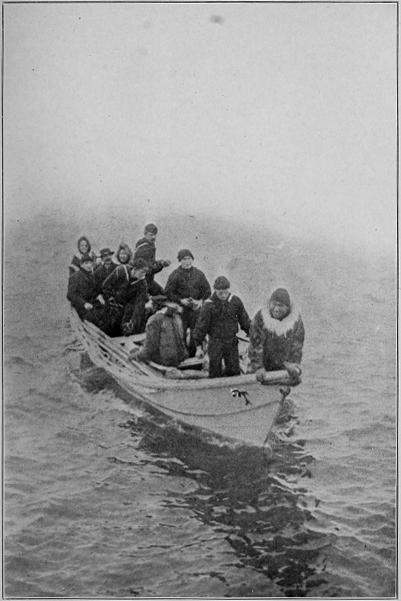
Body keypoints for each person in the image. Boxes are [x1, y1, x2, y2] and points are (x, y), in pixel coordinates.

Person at [193, 276, 251, 378]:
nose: (224, 295)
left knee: (234, 371)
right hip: (215, 342)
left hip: (231, 341)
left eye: (226, 292)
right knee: (215, 371)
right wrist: (198, 347)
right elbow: (200, 328)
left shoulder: (235, 301)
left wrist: (252, 335)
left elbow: (245, 321)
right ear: (215, 291)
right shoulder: (208, 305)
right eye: (220, 293)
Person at [247, 288, 305, 380]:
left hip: (283, 364)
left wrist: (294, 363)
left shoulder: (296, 321)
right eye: (274, 304)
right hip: (263, 363)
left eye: (281, 306)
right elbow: (255, 344)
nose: (276, 309)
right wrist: (258, 367)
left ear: (287, 308)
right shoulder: (260, 317)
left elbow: (297, 344)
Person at [164, 249, 212, 357]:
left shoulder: (199, 274)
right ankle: (182, 355)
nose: (187, 262)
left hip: (195, 309)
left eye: (189, 259)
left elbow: (207, 291)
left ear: (192, 259)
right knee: (180, 332)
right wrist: (180, 300)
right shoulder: (175, 275)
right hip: (181, 309)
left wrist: (200, 301)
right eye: (184, 259)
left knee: (197, 332)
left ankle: (195, 354)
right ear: (180, 261)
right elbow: (167, 292)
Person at [129, 295, 188, 367]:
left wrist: (136, 356)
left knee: (135, 350)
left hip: (164, 361)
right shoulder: (176, 316)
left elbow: (149, 350)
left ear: (155, 306)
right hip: (179, 358)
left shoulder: (154, 320)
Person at [102, 257, 148, 336]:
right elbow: (106, 285)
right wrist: (110, 298)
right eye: (142, 272)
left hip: (125, 307)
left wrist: (132, 322)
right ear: (135, 269)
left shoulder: (142, 284)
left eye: (145, 273)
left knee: (121, 327)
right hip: (111, 302)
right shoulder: (121, 271)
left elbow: (138, 304)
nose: (143, 275)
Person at [67, 254, 106, 327]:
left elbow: (98, 290)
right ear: (81, 265)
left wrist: (100, 295)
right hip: (82, 308)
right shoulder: (75, 277)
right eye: (86, 263)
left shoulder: (93, 276)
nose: (89, 265)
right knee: (97, 319)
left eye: (90, 263)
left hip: (94, 305)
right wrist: (84, 303)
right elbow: (70, 295)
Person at [133, 224, 171, 295]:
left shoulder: (149, 245)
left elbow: (151, 262)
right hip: (142, 281)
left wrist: (161, 262)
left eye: (155, 235)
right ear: (145, 234)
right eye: (150, 235)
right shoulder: (144, 249)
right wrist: (162, 264)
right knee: (163, 296)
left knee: (163, 294)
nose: (153, 237)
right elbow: (148, 270)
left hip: (147, 280)